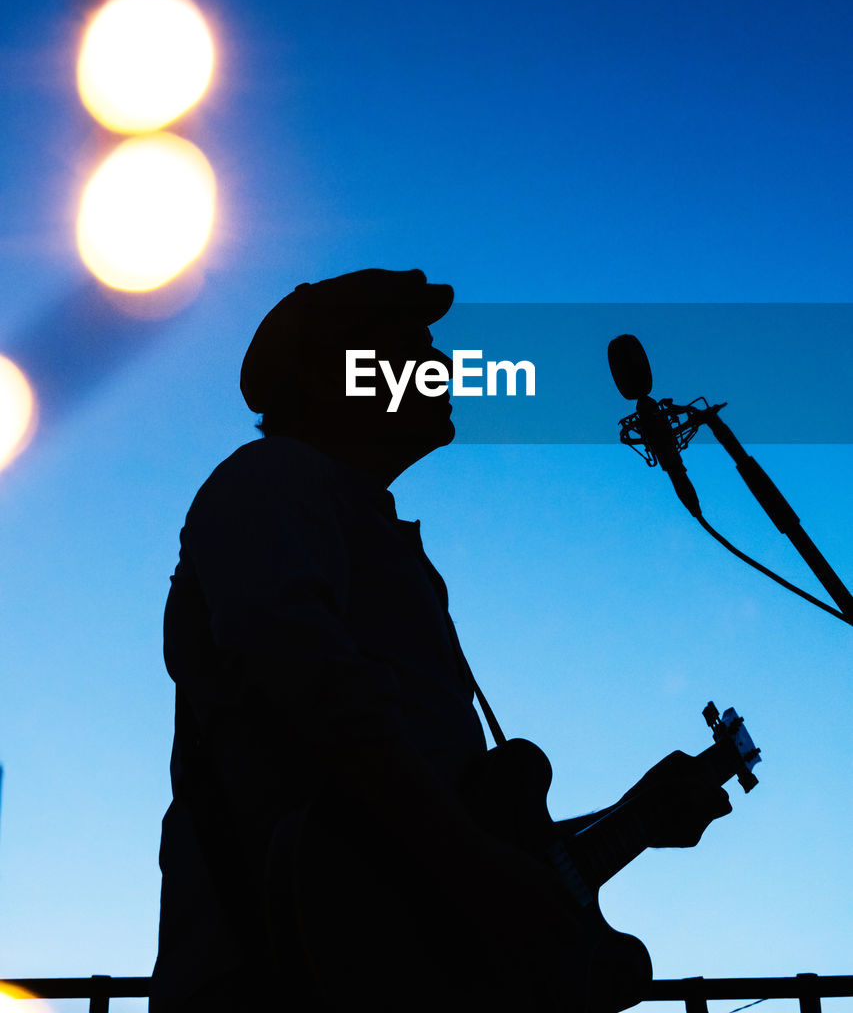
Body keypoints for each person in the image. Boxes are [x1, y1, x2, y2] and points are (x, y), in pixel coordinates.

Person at [150, 267, 731, 1012]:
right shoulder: (273, 476)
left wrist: (631, 818)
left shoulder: (374, 536)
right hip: (276, 977)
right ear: (329, 377)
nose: (443, 366)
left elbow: (447, 828)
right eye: (412, 346)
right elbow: (304, 682)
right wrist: (482, 873)